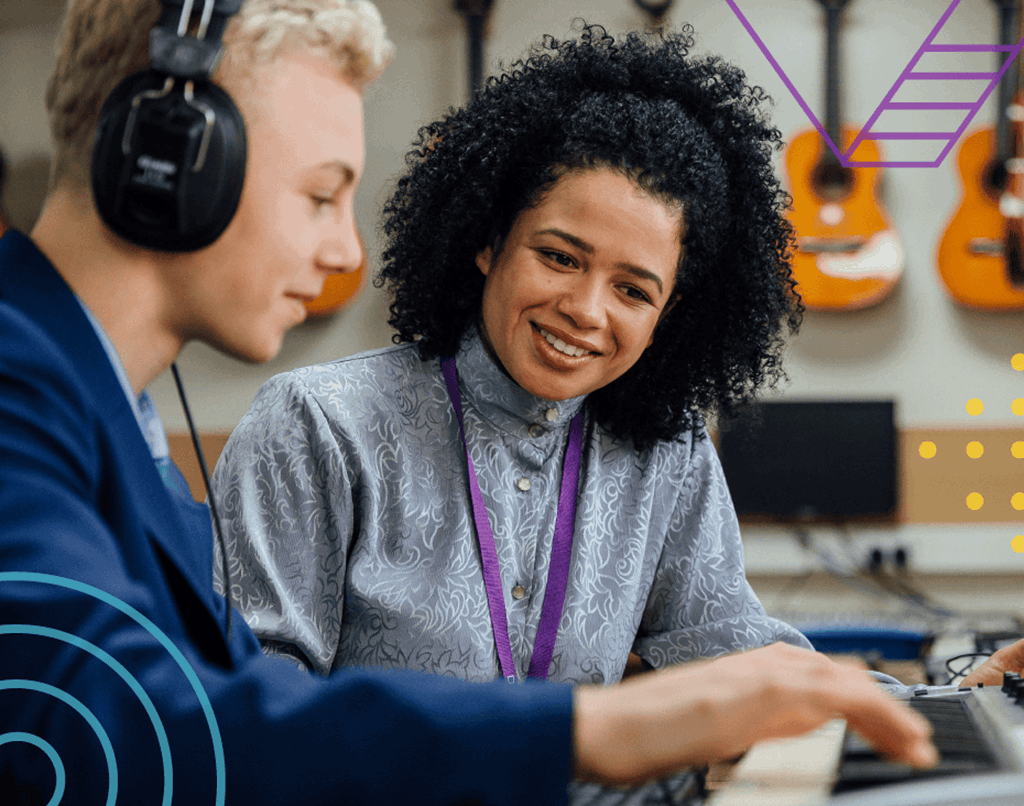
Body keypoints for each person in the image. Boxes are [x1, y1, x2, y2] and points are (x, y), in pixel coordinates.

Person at [0, 0, 939, 802]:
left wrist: (954, 693)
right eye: (322, 195)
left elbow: (200, 718)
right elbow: (117, 734)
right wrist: (589, 728)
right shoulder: (23, 388)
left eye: (634, 288)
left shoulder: (106, 421)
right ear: (169, 165)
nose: (342, 255)